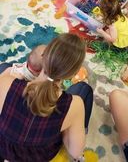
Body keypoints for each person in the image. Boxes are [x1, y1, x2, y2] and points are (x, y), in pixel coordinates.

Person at [0, 33, 93, 161]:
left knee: (4, 66)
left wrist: (9, 75)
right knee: (84, 89)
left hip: (4, 148)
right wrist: (67, 126)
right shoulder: (74, 105)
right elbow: (75, 152)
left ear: (44, 57)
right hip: (37, 156)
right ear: (72, 74)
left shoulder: (6, 82)